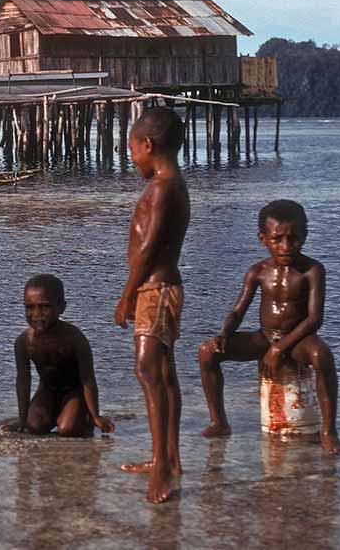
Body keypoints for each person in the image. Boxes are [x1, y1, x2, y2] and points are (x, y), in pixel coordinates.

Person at [198, 200, 340, 454]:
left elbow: (314, 319)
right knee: (206, 352)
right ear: (263, 239)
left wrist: (280, 348)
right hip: (265, 336)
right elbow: (238, 311)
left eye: (294, 238)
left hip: (298, 339)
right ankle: (218, 422)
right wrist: (224, 334)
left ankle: (329, 431)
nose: (286, 246)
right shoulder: (258, 271)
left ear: (305, 236)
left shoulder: (312, 270)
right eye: (277, 239)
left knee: (322, 355)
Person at [114, 106, 190, 504]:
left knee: (147, 370)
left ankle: (162, 466)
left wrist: (128, 294)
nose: (131, 159)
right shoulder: (171, 184)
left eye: (132, 150)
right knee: (163, 373)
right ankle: (168, 458)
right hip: (160, 288)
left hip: (155, 290)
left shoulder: (162, 188)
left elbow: (148, 248)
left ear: (147, 144)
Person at [3, 274, 115, 437]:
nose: (36, 314)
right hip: (47, 390)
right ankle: (54, 414)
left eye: (45, 307)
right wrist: (22, 418)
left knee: (68, 429)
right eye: (29, 307)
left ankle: (84, 418)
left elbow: (88, 379)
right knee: (34, 426)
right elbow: (23, 380)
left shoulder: (74, 338)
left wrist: (96, 415)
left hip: (75, 391)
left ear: (61, 307)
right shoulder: (24, 342)